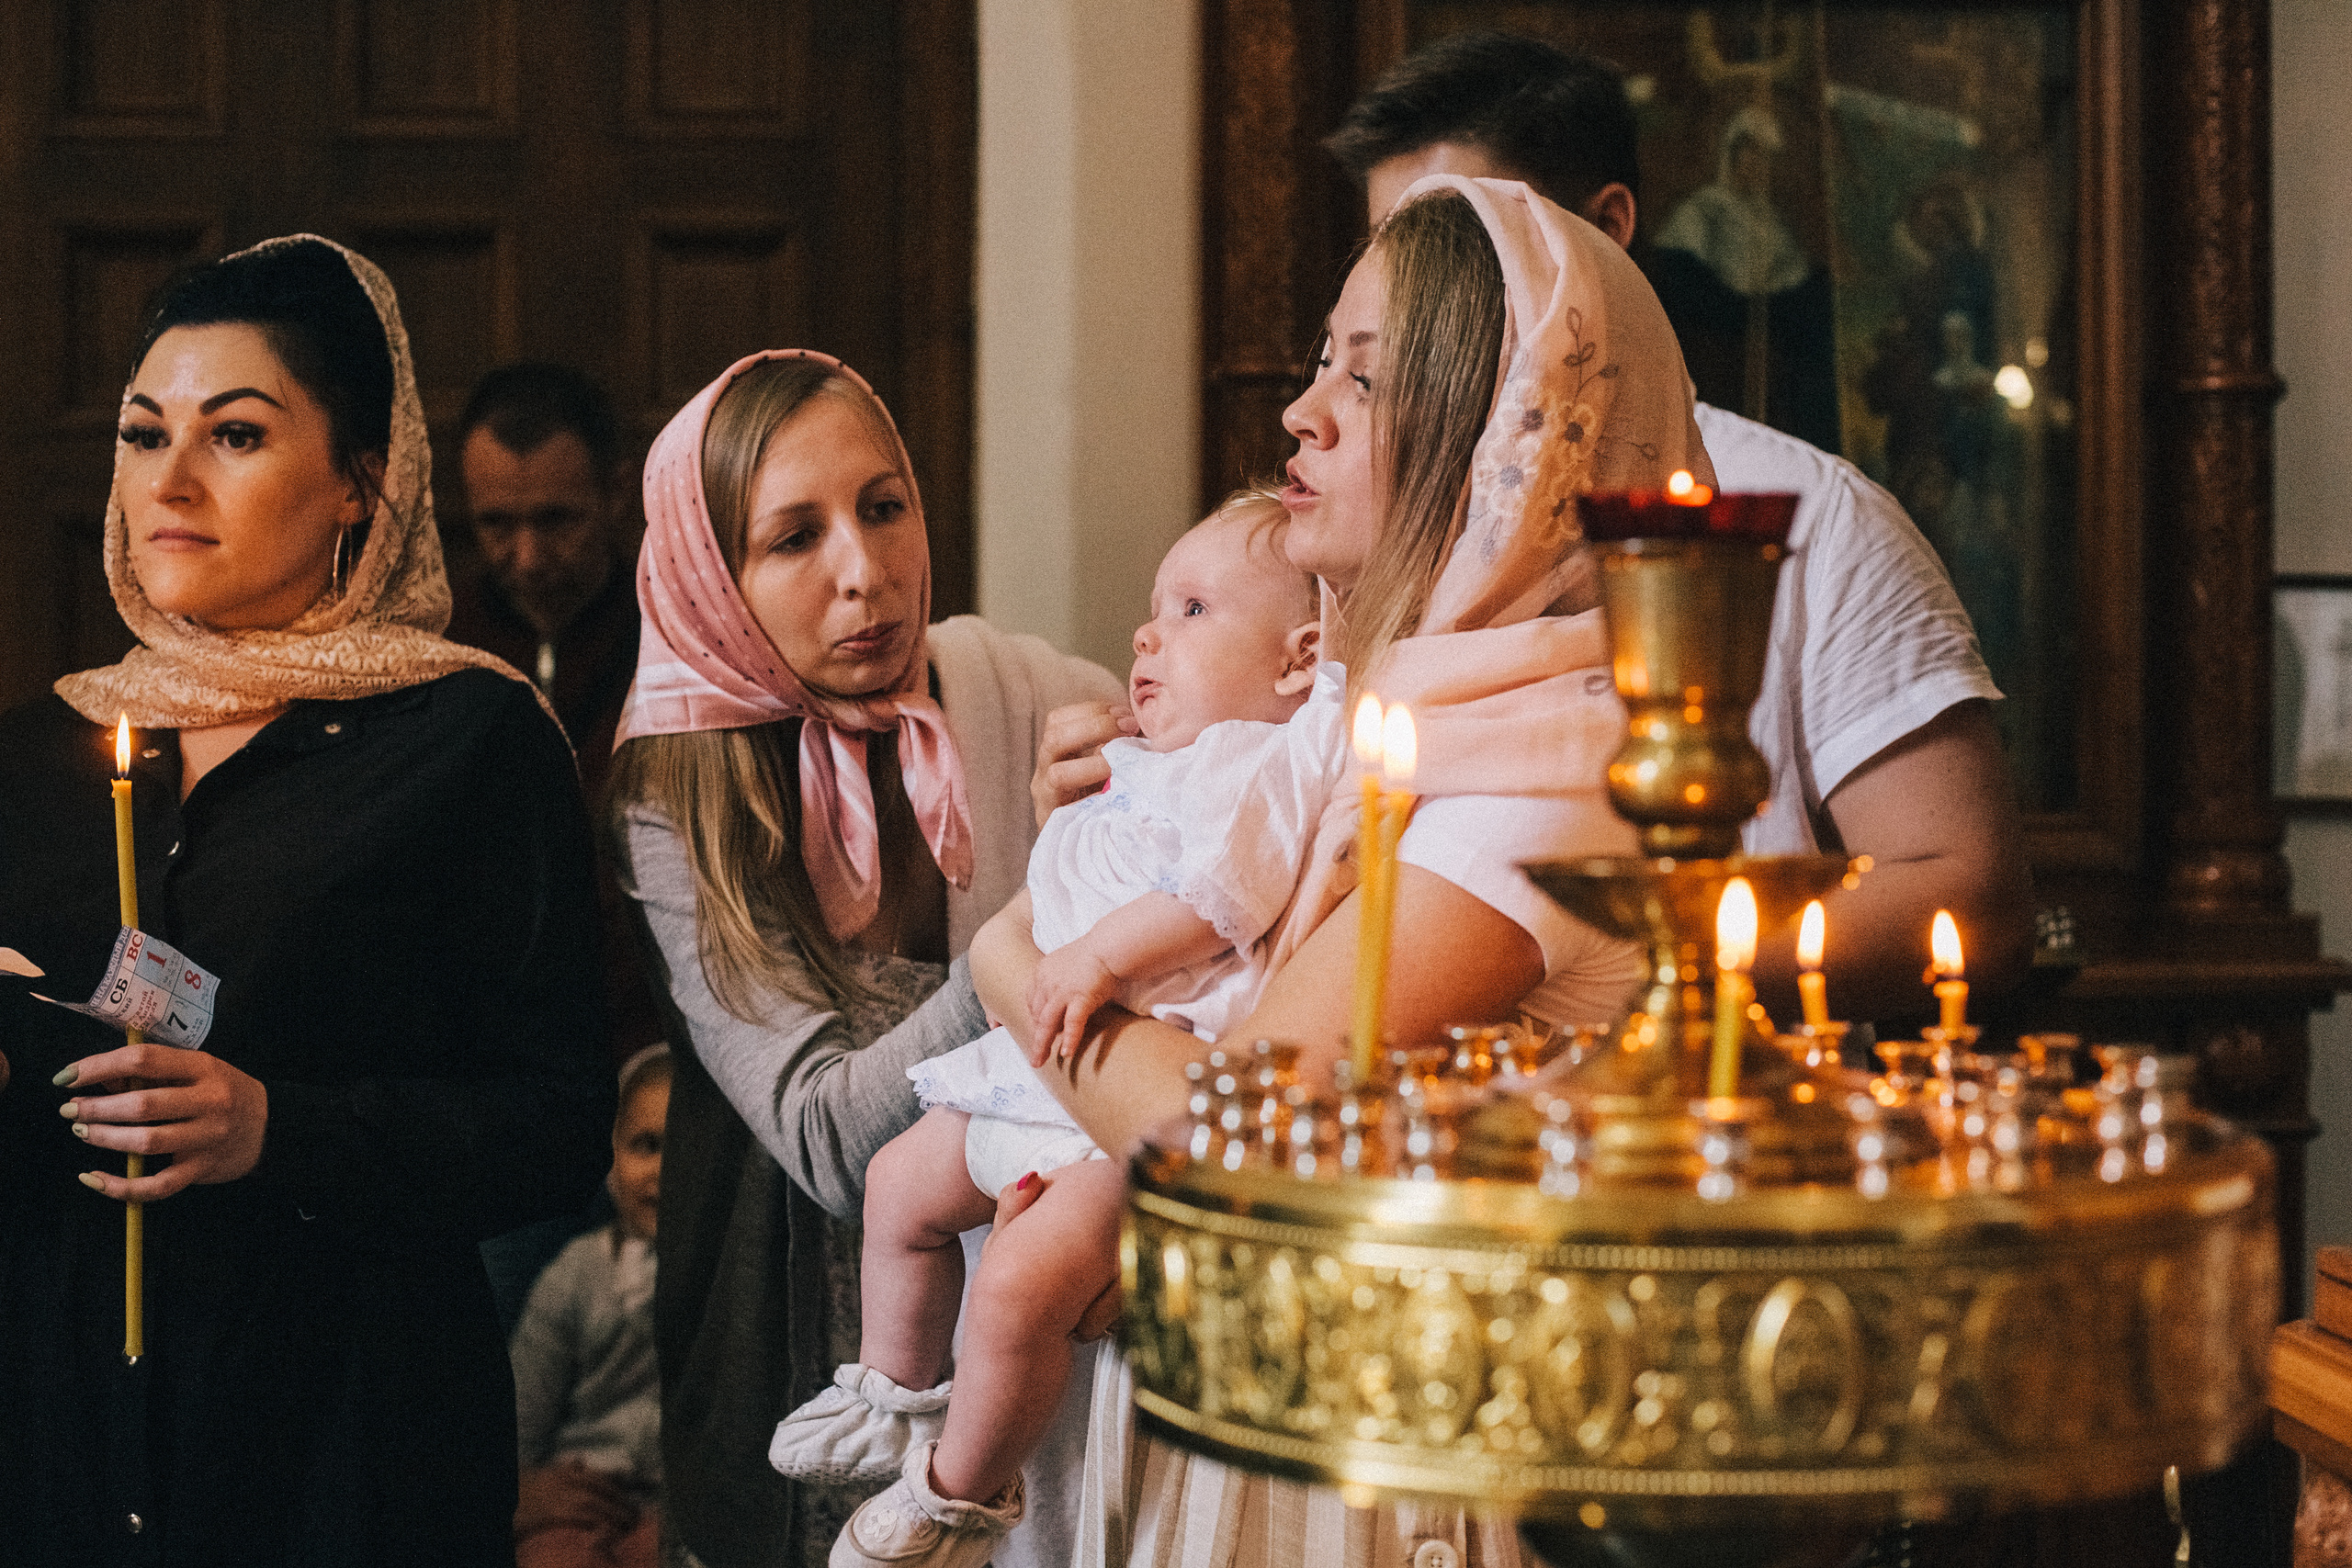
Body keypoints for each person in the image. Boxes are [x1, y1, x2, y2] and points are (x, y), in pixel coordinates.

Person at [989, 178, 1716, 1568]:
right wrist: (1114, 845)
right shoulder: (1375, 719)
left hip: (1398, 1473)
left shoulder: (1541, 780)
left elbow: (1222, 1132)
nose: (1300, 412)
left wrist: (1011, 954)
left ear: (1508, 438)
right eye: (1323, 359)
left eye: (1366, 379)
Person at [0, 234, 614, 1566]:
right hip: (67, 1432)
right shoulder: (39, 752)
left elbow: (559, 1128)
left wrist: (281, 1125)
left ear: (360, 487)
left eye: (234, 435)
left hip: (340, 1437)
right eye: (141, 432)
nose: (166, 479)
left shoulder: (464, 740)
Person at [1316, 30, 2033, 1021]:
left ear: (1603, 230)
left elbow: (1971, 900)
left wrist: (1589, 936)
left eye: (1464, 245)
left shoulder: (1812, 518)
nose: (1422, 299)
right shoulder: (1369, 525)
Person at [608, 349, 1124, 1568]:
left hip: (1037, 1323)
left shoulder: (1034, 697)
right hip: (789, 1325)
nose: (867, 570)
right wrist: (1044, 915)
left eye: (883, 506)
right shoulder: (677, 794)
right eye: (794, 537)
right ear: (711, 579)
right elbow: (833, 1141)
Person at [769, 491, 1332, 1567]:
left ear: (1299, 660)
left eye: (1195, 609)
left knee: (1026, 1286)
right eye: (1154, 606)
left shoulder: (1259, 768)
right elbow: (1050, 895)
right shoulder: (1156, 761)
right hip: (1041, 1053)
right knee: (898, 1183)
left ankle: (954, 1501)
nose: (1146, 631)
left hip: (1119, 1086)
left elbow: (1223, 899)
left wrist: (1088, 956)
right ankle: (896, 1394)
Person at [445, 362, 662, 1065]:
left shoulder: (678, 638)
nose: (529, 557)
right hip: (485, 1043)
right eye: (497, 524)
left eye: (556, 520)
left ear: (618, 493)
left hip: (649, 1039)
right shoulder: (434, 647)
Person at [512, 1043, 673, 1568]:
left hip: (681, 1502)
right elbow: (521, 1415)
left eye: (686, 1150)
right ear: (610, 1155)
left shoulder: (731, 1278)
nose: (664, 1172)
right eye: (646, 1145)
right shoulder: (576, 1273)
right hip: (579, 1492)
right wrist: (525, 1491)